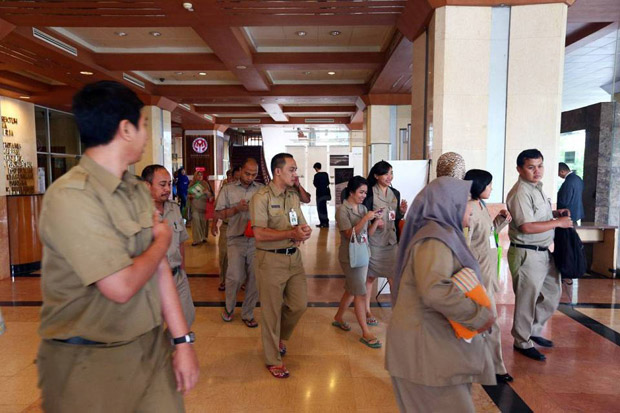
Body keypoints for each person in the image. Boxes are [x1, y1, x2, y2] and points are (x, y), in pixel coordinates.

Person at [36, 81, 198, 412]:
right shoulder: (72, 196)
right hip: (88, 360)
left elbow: (160, 269)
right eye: (142, 125)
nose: (146, 135)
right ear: (125, 129)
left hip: (150, 347)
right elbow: (120, 286)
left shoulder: (135, 190)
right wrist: (162, 241)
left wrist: (182, 341)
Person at [386, 177, 496, 413]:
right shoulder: (435, 239)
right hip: (424, 354)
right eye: (466, 201)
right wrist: (479, 316)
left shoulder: (445, 234)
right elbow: (435, 290)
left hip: (433, 350)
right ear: (449, 204)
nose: (471, 208)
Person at [506, 149, 573, 361]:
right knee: (527, 300)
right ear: (519, 169)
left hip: (543, 252)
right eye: (531, 167)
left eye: (540, 166)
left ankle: (533, 330)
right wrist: (558, 223)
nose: (537, 171)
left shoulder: (537, 188)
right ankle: (522, 341)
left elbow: (537, 215)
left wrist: (554, 214)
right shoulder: (520, 193)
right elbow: (526, 226)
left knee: (552, 293)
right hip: (527, 253)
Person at [250, 153, 312, 379]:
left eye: (295, 170)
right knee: (271, 313)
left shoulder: (292, 196)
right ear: (278, 171)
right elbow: (259, 233)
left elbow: (300, 222)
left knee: (299, 304)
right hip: (270, 260)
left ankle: (279, 338)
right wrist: (290, 234)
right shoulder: (261, 197)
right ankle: (273, 359)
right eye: (292, 170)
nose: (295, 174)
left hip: (293, 258)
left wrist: (304, 231)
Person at [464, 169, 513, 383]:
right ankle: (495, 367)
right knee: (490, 322)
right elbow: (464, 247)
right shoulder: (468, 210)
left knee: (484, 322)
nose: (491, 188)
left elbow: (488, 234)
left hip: (488, 273)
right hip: (477, 277)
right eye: (489, 184)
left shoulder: (481, 205)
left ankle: (485, 364)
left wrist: (501, 220)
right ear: (478, 185)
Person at [142, 164, 195, 327]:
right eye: (162, 184)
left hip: (177, 276)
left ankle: (171, 343)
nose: (167, 189)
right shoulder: (138, 213)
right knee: (153, 327)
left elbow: (180, 242)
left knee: (186, 319)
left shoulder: (174, 208)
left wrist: (183, 271)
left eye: (169, 184)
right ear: (147, 185)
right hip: (152, 281)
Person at [332, 176, 383, 347]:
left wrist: (376, 220)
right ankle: (365, 332)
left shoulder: (362, 208)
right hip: (350, 257)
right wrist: (365, 218)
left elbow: (368, 234)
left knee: (352, 289)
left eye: (365, 193)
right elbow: (349, 234)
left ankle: (338, 317)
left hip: (363, 253)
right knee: (360, 292)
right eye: (361, 192)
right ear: (351, 192)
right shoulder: (342, 210)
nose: (363, 196)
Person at [215, 158, 263, 327]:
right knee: (234, 277)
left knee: (255, 279)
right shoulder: (228, 189)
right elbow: (218, 213)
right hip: (235, 239)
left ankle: (248, 313)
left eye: (254, 174)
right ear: (240, 170)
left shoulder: (261, 190)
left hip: (256, 240)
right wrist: (236, 209)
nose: (250, 177)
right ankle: (229, 308)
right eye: (247, 173)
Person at [363, 160, 407, 325]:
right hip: (375, 241)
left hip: (391, 241)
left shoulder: (395, 193)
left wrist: (401, 212)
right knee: (370, 277)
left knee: (393, 277)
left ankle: (397, 310)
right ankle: (367, 310)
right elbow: (363, 216)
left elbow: (395, 218)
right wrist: (374, 221)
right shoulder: (369, 193)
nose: (390, 177)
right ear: (376, 175)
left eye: (391, 173)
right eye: (386, 174)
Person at [212, 169, 236, 291]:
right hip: (226, 226)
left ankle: (241, 281)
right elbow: (217, 208)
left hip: (240, 227)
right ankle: (223, 281)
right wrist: (214, 224)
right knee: (224, 255)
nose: (232, 180)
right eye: (230, 177)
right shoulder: (224, 191)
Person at [188, 170, 214, 246]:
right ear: (195, 176)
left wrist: (207, 192)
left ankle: (203, 237)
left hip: (203, 206)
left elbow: (210, 195)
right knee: (196, 222)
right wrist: (193, 195)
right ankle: (196, 239)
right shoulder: (192, 184)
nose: (200, 176)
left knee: (203, 222)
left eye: (201, 175)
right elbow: (188, 195)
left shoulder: (205, 184)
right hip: (195, 205)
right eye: (198, 175)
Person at [313, 162, 331, 228]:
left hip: (320, 194)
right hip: (326, 194)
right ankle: (326, 222)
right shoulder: (325, 174)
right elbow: (328, 183)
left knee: (320, 208)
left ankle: (322, 223)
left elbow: (315, 184)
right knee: (324, 208)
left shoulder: (316, 175)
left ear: (316, 168)